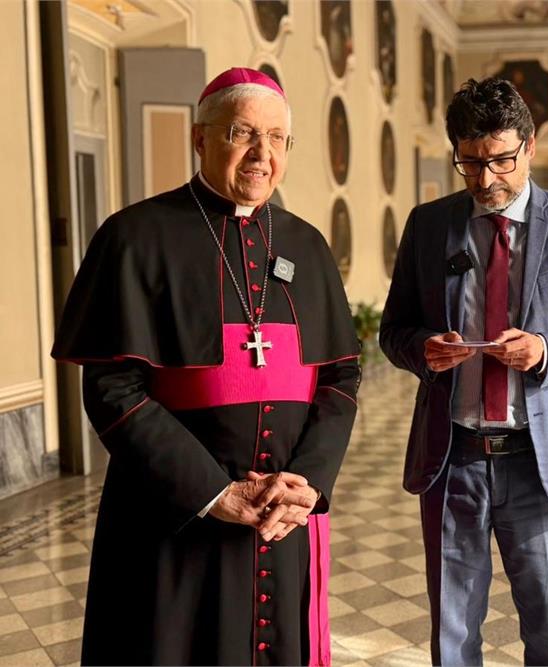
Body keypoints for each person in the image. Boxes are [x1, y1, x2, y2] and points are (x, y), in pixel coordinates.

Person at [51, 68, 360, 666]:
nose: (262, 153)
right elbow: (114, 387)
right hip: (173, 517)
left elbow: (340, 377)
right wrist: (213, 493)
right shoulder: (133, 237)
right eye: (243, 133)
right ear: (200, 138)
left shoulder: (307, 245)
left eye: (277, 138)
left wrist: (308, 482)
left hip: (282, 517)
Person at [380, 77, 548, 666]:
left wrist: (544, 350)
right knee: (452, 633)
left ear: (530, 145)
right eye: (469, 163)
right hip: (452, 458)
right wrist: (424, 350)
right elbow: (394, 332)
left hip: (539, 462)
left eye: (500, 160)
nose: (485, 178)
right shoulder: (428, 226)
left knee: (545, 629)